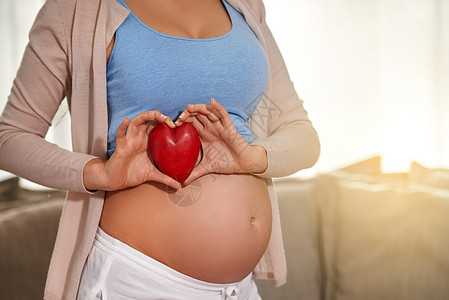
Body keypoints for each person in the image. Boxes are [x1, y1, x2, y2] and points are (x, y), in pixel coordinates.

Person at [0, 0, 320, 299]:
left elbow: (303, 135)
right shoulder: (77, 10)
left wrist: (251, 157)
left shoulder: (244, 6)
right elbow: (10, 138)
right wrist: (99, 173)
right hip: (136, 282)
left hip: (240, 288)